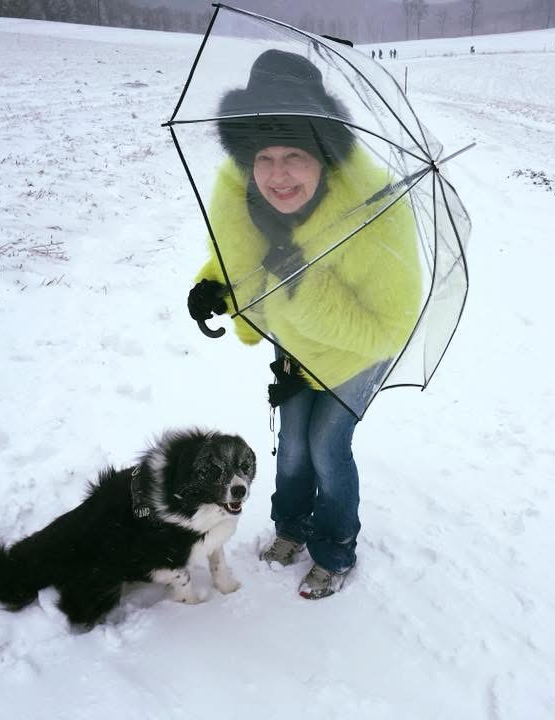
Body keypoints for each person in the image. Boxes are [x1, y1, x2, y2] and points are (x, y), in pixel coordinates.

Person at [187, 50, 420, 600]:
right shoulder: (238, 191)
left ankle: (335, 548)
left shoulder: (374, 212)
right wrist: (214, 284)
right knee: (291, 445)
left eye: (295, 155)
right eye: (264, 157)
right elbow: (241, 258)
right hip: (294, 342)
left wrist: (304, 286)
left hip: (357, 349)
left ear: (324, 153)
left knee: (324, 445)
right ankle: (291, 526)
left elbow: (389, 326)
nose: (277, 175)